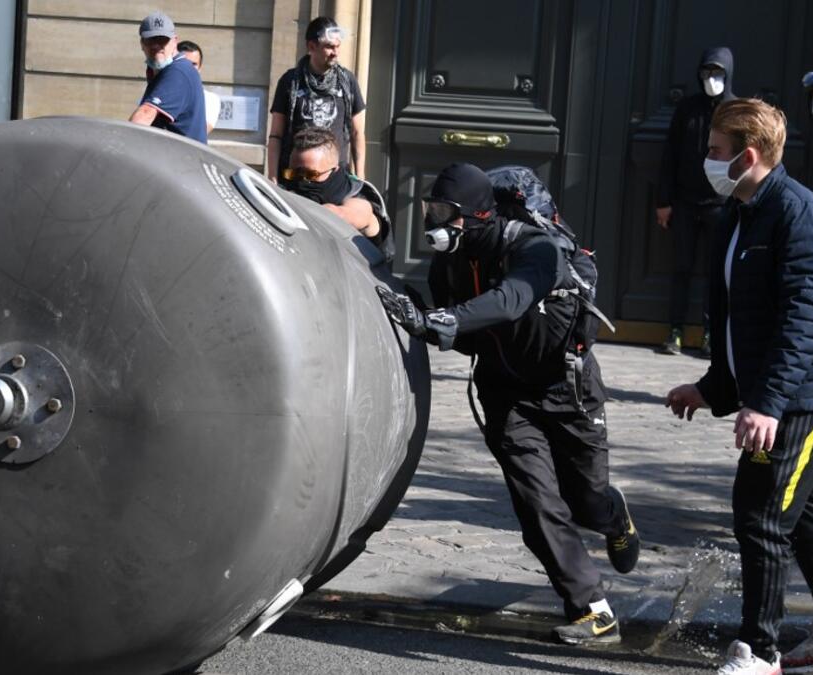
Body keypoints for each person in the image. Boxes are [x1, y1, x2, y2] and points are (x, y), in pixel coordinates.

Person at [377, 162, 639, 647]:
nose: (435, 223)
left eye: (445, 213)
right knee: (537, 506)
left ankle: (611, 514)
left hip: (567, 388)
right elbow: (467, 335)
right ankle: (593, 610)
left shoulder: (534, 247)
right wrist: (421, 313)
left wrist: (441, 320)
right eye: (431, 210)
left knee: (585, 502)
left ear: (478, 214)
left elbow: (512, 298)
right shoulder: (448, 263)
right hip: (506, 394)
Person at [665, 98, 813, 674]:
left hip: (811, 396)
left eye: (714, 151)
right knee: (794, 511)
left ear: (747, 155)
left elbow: (802, 319)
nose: (707, 159)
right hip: (782, 394)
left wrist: (767, 404)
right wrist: (712, 388)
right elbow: (740, 319)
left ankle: (760, 651)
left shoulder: (798, 214)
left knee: (760, 516)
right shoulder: (739, 211)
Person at [656, 47, 736, 357]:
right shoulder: (688, 109)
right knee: (682, 266)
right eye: (706, 73)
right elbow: (670, 156)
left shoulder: (734, 109)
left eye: (717, 73)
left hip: (720, 204)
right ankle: (674, 330)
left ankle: (710, 332)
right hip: (686, 202)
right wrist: (664, 201)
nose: (711, 79)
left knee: (716, 271)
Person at [267, 17, 366, 182]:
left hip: (334, 178)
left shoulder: (347, 81)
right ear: (311, 46)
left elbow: (357, 133)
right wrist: (272, 177)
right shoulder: (290, 81)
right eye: (329, 47)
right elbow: (276, 135)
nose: (336, 52)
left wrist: (361, 176)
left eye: (338, 46)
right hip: (296, 176)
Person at [280, 127, 392, 262]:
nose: (301, 181)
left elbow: (347, 214)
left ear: (334, 170)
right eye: (293, 174)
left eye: (310, 174)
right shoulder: (290, 189)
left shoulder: (357, 195)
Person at [129, 11, 207, 144]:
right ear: (142, 43)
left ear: (175, 41)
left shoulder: (178, 71)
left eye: (162, 40)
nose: (156, 46)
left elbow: (145, 115)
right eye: (151, 40)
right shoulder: (161, 70)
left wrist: (117, 144)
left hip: (180, 160)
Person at [177, 40, 221, 136]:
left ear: (200, 68)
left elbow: (199, 133)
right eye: (184, 63)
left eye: (194, 64)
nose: (188, 68)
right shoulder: (160, 92)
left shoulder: (210, 99)